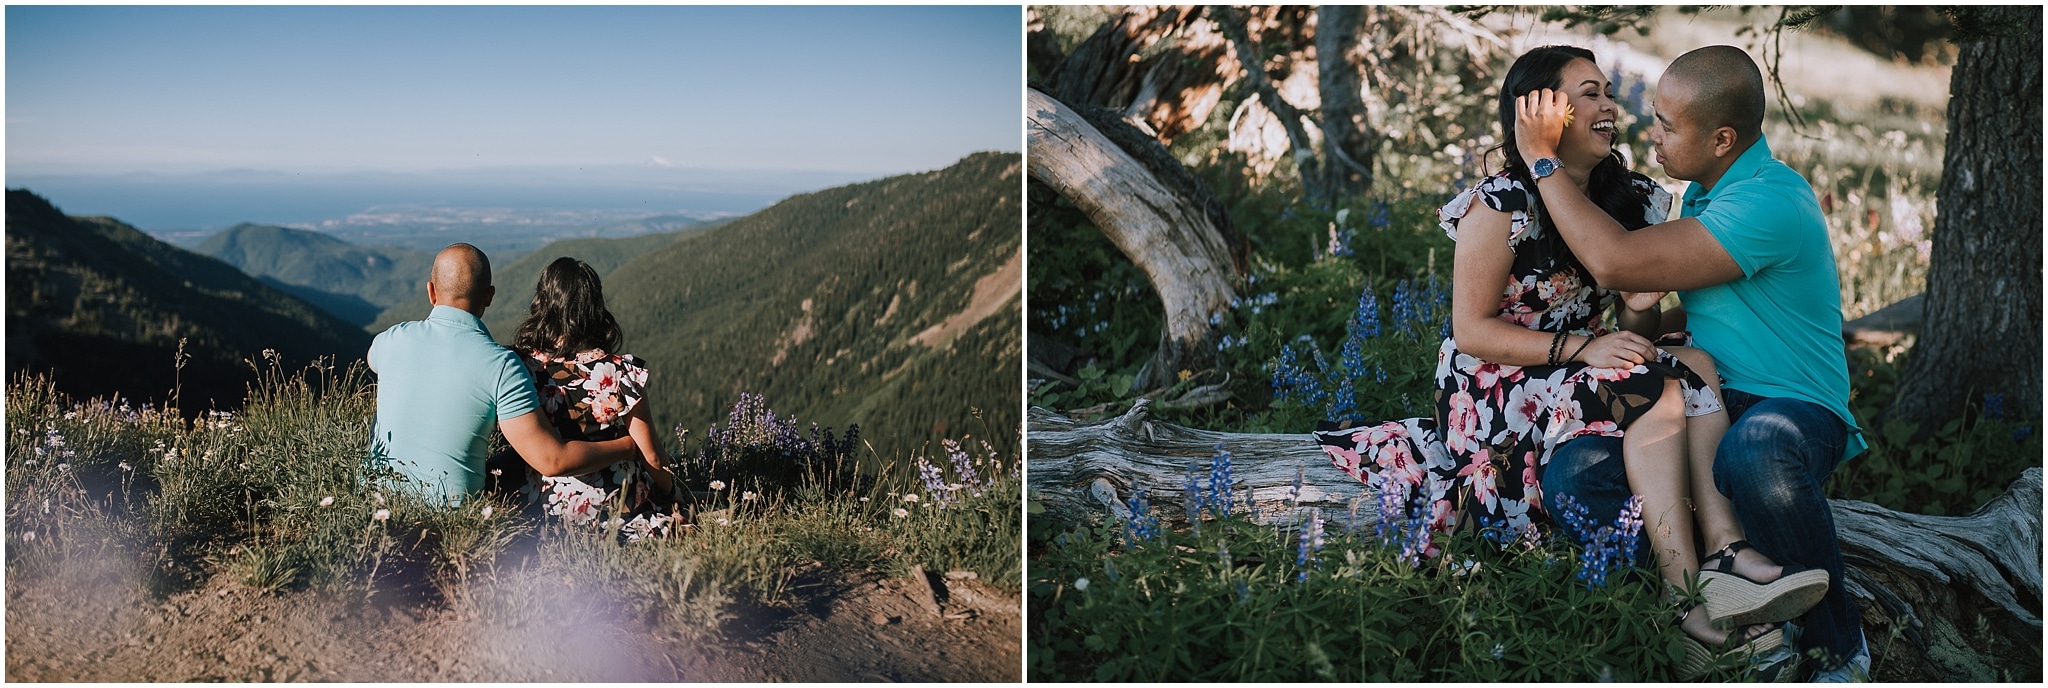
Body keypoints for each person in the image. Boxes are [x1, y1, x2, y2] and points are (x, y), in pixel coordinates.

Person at [1312, 44, 1822, 677]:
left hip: (1583, 371)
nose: (1609, 105)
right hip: (1498, 384)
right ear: (1539, 112)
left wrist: (1636, 311)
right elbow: (1471, 332)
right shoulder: (1497, 206)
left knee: (1695, 365)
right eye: (1587, 93)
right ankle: (1683, 590)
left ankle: (1724, 549)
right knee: (1651, 383)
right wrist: (1585, 347)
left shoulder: (1630, 196)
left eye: (1608, 90)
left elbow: (1631, 319)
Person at [1518, 44, 1869, 681]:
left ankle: (1837, 652)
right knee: (1577, 475)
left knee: (1755, 451)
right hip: (1704, 397)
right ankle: (1700, 612)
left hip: (1787, 406)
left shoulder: (1768, 203)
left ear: (1722, 137)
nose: (1652, 136)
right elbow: (1685, 314)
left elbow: (1614, 261)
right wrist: (1644, 317)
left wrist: (1540, 158)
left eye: (1669, 126)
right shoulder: (1706, 197)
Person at [368, 243, 641, 505]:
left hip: (372, 501)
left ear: (431, 291)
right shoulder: (500, 366)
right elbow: (551, 461)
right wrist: (628, 447)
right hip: (450, 519)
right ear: (489, 296)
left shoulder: (391, 340)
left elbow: (372, 361)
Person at [494, 257, 682, 536]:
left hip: (545, 505)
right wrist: (670, 495)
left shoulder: (517, 367)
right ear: (594, 306)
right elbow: (652, 455)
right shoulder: (619, 372)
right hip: (615, 504)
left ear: (542, 303)